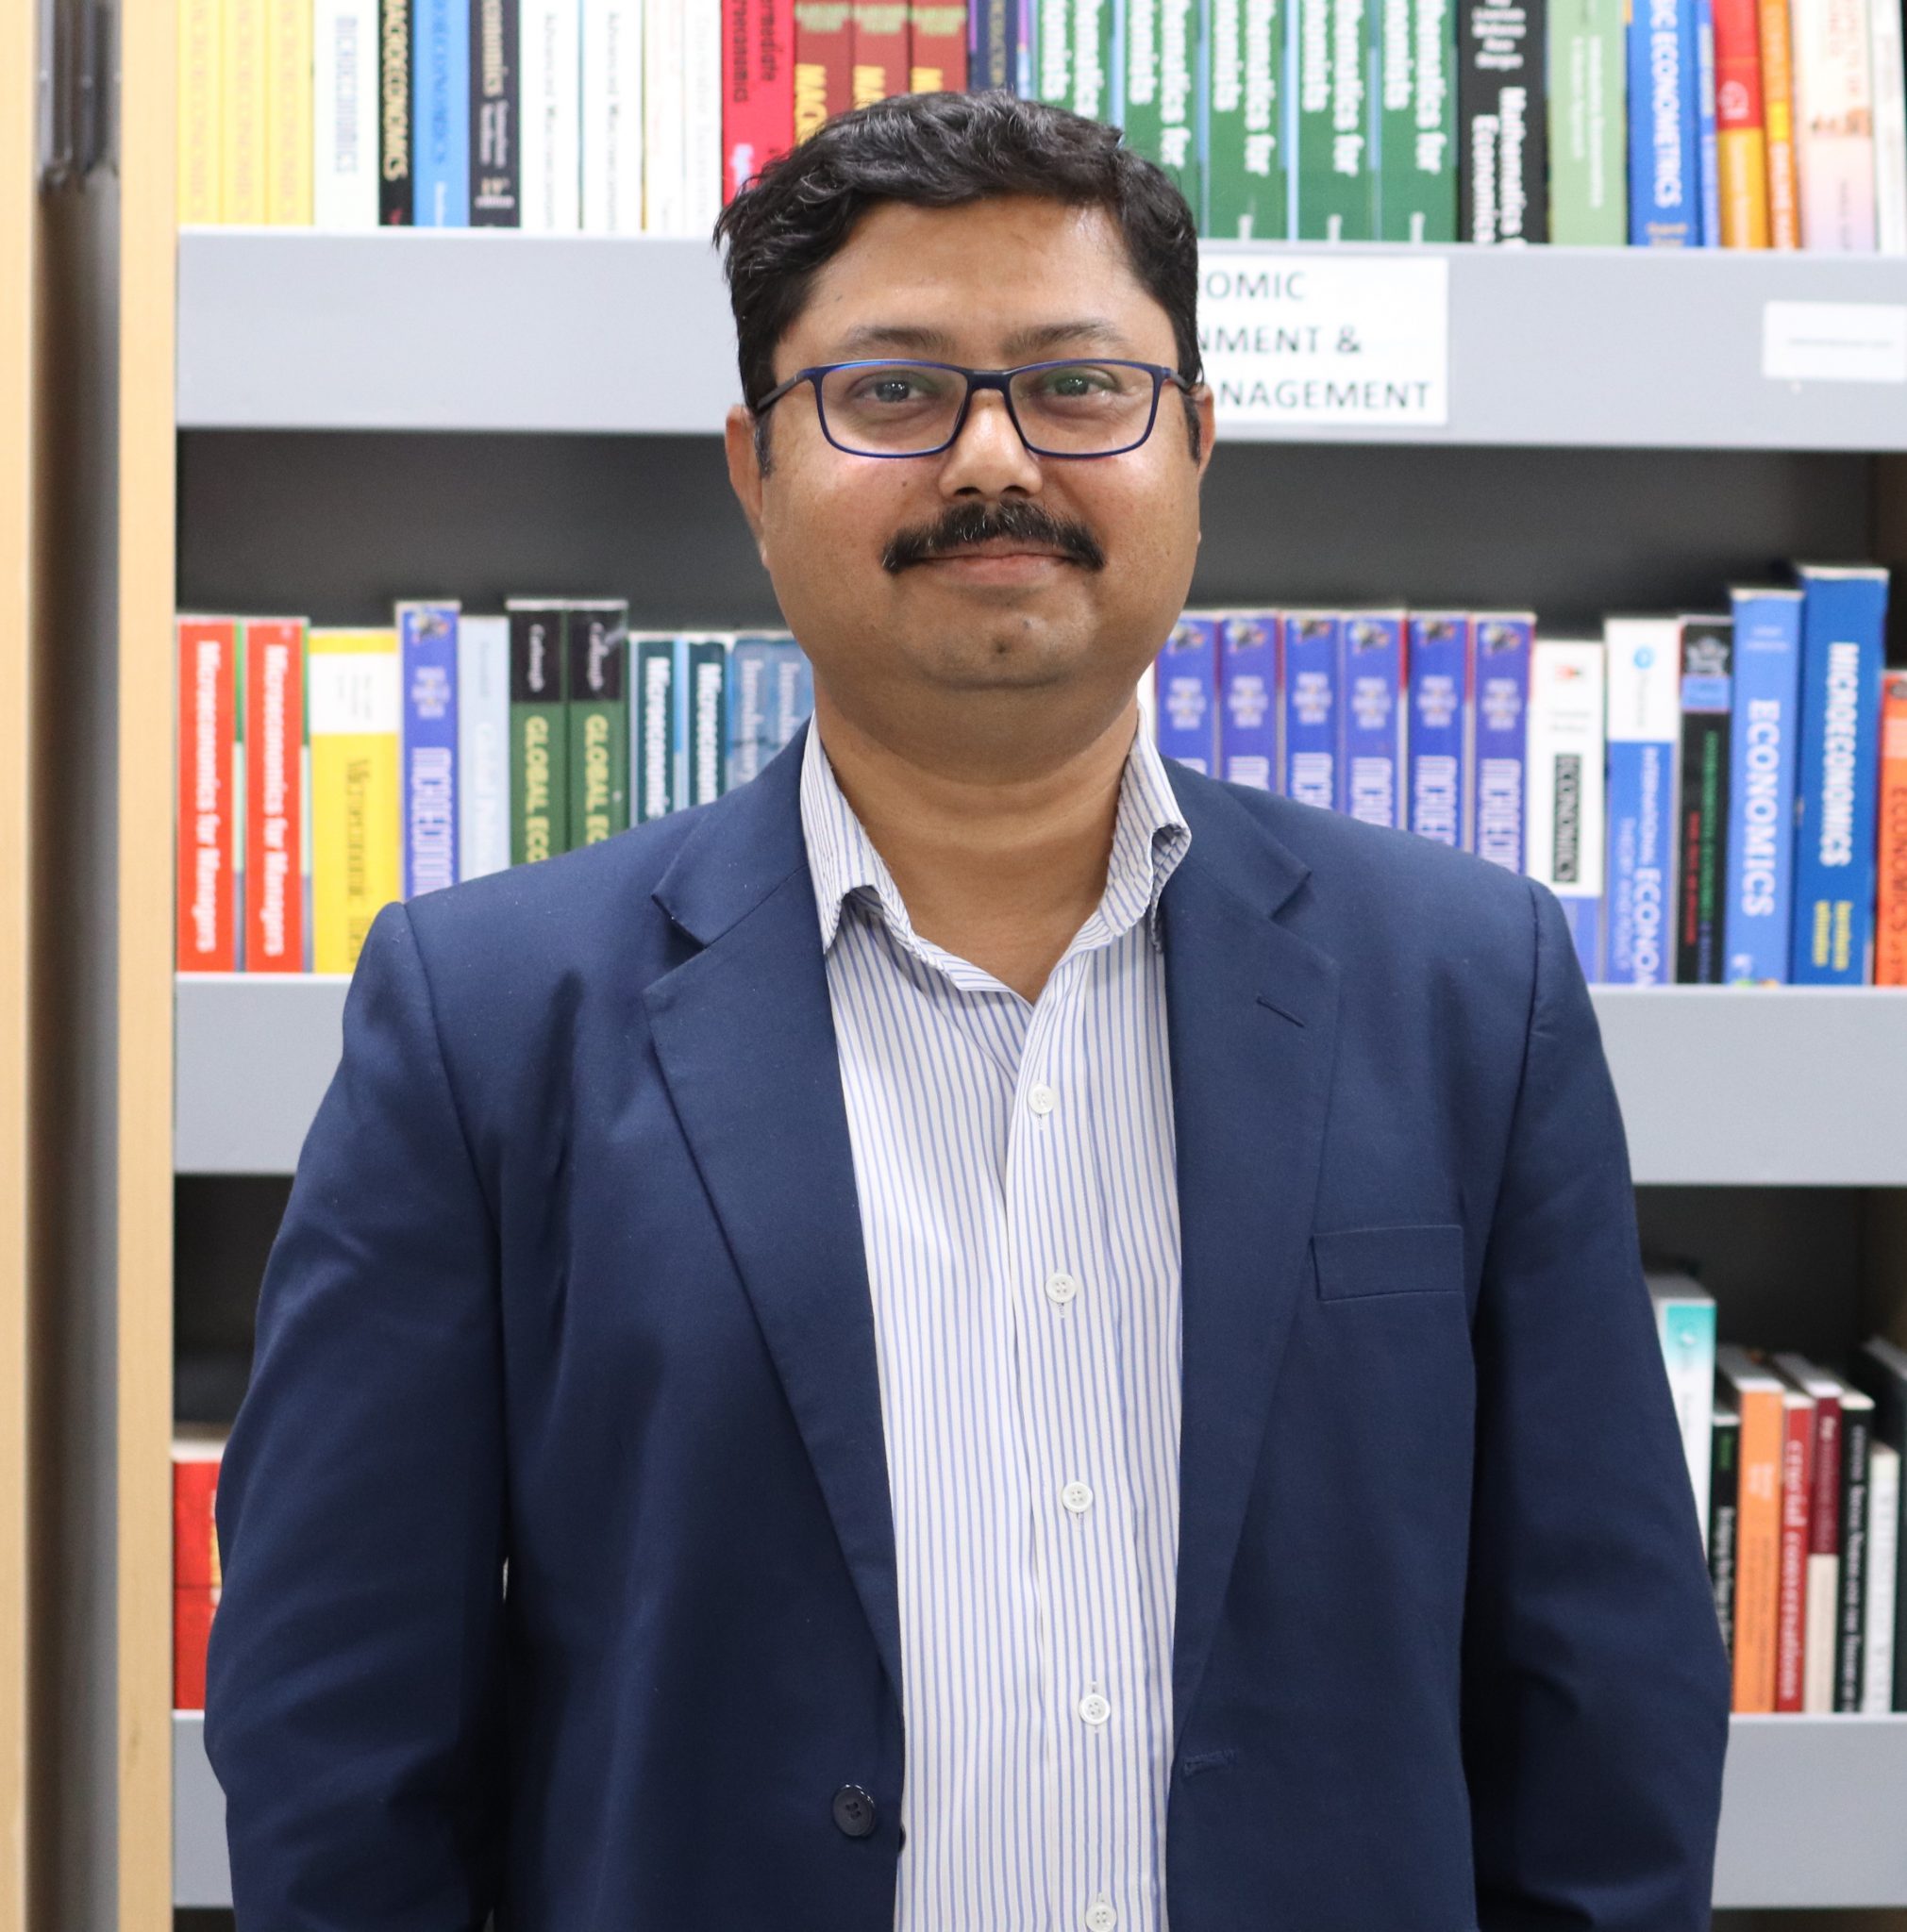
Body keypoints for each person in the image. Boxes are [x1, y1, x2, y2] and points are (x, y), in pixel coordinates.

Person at [206, 90, 1731, 1932]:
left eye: (1080, 386)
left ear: (1197, 446)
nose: (994, 457)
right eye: (892, 390)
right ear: (753, 467)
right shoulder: (485, 1021)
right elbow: (336, 1732)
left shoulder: (1469, 989)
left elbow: (1608, 1696)